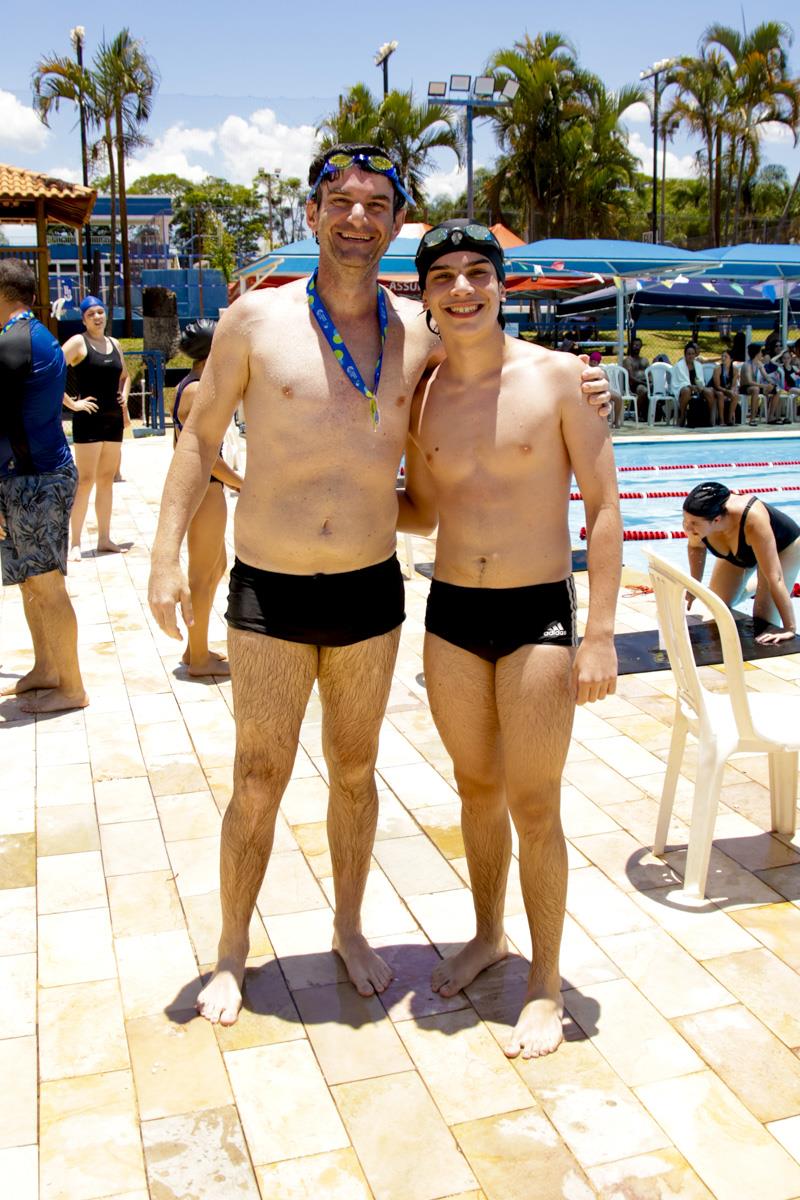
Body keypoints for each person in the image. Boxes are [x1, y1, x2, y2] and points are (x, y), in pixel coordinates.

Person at [148, 144, 613, 1027]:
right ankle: (231, 952)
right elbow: (200, 434)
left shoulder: (421, 334)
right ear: (313, 213)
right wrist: (166, 553)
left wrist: (591, 386)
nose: (356, 218)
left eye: (375, 205)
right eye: (340, 201)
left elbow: (497, 367)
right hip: (271, 588)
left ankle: (350, 927)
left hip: (369, 589)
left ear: (396, 223)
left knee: (356, 771)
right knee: (258, 774)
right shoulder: (255, 320)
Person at [399, 220, 622, 1059]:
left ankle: (546, 984)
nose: (462, 289)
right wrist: (322, 493)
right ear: (426, 295)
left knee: (535, 802)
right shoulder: (422, 395)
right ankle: (489, 934)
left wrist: (600, 634)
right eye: (444, 277)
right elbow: (421, 511)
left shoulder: (562, 378)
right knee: (475, 787)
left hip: (537, 614)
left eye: (477, 273)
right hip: (453, 612)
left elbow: (604, 507)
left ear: (501, 285)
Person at [0, 259, 88, 713]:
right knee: (30, 582)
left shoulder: (15, 342)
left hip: (34, 479)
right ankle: (46, 668)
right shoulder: (32, 335)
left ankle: (71, 687)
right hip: (31, 475)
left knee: (46, 584)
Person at [173, 319, 245, 677]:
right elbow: (206, 455)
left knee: (216, 568)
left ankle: (194, 649)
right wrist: (242, 483)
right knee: (202, 575)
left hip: (206, 488)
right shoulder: (197, 389)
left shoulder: (194, 383)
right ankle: (199, 659)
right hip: (204, 489)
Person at [683, 481, 800, 644]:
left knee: (763, 619)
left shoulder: (753, 521)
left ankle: (772, 587)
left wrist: (790, 628)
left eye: (694, 523)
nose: (687, 528)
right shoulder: (699, 518)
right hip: (740, 549)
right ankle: (758, 585)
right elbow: (696, 548)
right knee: (718, 603)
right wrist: (693, 588)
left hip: (783, 547)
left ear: (716, 520)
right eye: (685, 520)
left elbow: (776, 578)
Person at [62, 295, 131, 558]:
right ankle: (75, 543)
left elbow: (125, 375)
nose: (97, 317)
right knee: (85, 481)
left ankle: (104, 538)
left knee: (106, 480)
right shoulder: (78, 342)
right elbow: (50, 370)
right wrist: (72, 403)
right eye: (91, 314)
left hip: (113, 421)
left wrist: (124, 396)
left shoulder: (114, 343)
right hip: (88, 420)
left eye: (100, 312)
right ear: (83, 320)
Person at [671, 341, 714, 427]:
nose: (691, 356)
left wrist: (699, 387)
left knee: (709, 392)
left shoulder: (698, 365)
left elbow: (701, 380)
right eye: (689, 354)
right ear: (685, 355)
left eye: (693, 354)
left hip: (697, 387)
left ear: (695, 355)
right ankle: (682, 416)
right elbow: (680, 381)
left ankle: (709, 417)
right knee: (687, 390)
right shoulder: (679, 365)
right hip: (682, 388)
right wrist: (690, 386)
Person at [623, 336, 650, 422]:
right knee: (642, 389)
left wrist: (650, 382)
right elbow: (631, 378)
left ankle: (650, 414)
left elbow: (650, 374)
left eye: (638, 345)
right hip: (634, 386)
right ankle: (637, 415)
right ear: (631, 346)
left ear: (641, 347)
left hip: (645, 383)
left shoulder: (645, 360)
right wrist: (644, 383)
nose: (636, 347)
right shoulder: (628, 361)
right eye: (634, 345)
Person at [739, 343, 767, 425]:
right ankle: (752, 418)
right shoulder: (747, 365)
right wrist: (763, 385)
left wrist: (772, 383)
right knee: (756, 389)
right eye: (760, 352)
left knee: (775, 390)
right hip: (745, 387)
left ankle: (772, 417)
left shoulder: (759, 363)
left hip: (755, 386)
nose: (762, 354)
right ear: (757, 353)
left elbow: (766, 376)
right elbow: (749, 381)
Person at [711, 349, 740, 426]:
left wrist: (732, 391)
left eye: (725, 357)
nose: (723, 358)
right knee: (720, 394)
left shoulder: (735, 370)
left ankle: (729, 419)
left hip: (726, 389)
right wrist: (727, 391)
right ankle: (721, 420)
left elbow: (733, 385)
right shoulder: (718, 369)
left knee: (735, 395)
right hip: (715, 389)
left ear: (731, 359)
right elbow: (717, 386)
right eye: (722, 356)